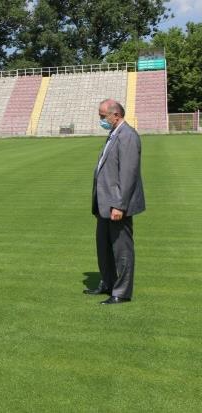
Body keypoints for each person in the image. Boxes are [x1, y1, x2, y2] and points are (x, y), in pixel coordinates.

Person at [85, 99, 145, 304]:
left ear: (116, 115)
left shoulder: (128, 136)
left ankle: (121, 292)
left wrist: (119, 205)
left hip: (116, 205)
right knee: (103, 247)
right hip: (104, 204)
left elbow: (128, 175)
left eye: (103, 116)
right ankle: (108, 283)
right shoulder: (114, 134)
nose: (101, 119)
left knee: (122, 250)